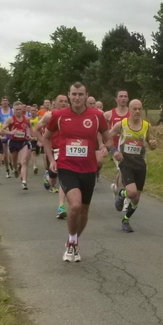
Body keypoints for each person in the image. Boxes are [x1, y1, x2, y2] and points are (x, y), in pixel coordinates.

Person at [42, 83, 113, 262]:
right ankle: (72, 242)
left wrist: (105, 147)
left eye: (80, 94)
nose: (77, 98)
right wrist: (52, 160)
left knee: (83, 211)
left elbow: (109, 139)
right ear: (69, 95)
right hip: (67, 167)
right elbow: (46, 138)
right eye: (74, 94)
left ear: (86, 95)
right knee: (74, 205)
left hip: (88, 169)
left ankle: (72, 239)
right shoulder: (58, 116)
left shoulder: (97, 116)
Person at [111, 99, 157, 232]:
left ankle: (126, 220)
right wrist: (114, 151)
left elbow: (151, 144)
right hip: (126, 163)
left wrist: (153, 145)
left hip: (140, 165)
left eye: (139, 109)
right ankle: (122, 193)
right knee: (131, 192)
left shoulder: (147, 126)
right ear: (129, 110)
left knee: (136, 198)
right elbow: (107, 138)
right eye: (134, 109)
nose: (137, 111)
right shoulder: (122, 124)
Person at [106, 90, 132, 196]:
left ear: (128, 99)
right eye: (121, 96)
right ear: (116, 99)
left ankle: (117, 188)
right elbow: (103, 132)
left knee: (123, 171)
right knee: (122, 169)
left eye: (125, 96)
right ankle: (123, 196)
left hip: (129, 147)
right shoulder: (108, 114)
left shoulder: (132, 113)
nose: (123, 98)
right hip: (115, 147)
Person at [3, 101, 33, 190]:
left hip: (23, 142)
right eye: (17, 110)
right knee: (14, 162)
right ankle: (15, 169)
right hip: (13, 142)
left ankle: (24, 182)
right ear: (13, 110)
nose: (18, 111)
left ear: (22, 109)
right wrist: (10, 132)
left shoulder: (26, 118)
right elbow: (2, 130)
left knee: (24, 162)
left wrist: (30, 135)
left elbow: (30, 126)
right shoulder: (10, 119)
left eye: (20, 109)